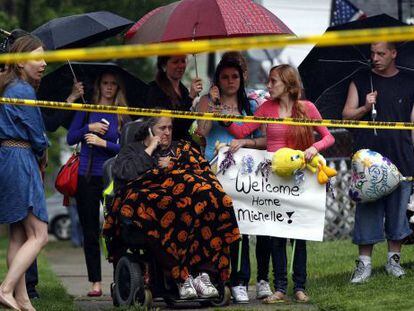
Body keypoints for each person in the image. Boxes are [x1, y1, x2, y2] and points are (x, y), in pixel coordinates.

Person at [226, 64, 335, 303]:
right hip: (273, 179)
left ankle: (300, 286)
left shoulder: (307, 109)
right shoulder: (266, 107)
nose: (268, 85)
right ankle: (279, 287)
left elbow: (328, 136)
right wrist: (222, 117)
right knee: (276, 234)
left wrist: (313, 147)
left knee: (299, 234)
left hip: (300, 178)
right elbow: (242, 130)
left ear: (288, 83)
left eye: (273, 81)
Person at [104, 116, 240, 299]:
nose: (167, 132)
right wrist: (150, 149)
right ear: (149, 130)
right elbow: (126, 175)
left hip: (186, 209)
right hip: (150, 207)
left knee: (212, 196)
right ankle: (182, 277)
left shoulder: (180, 149)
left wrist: (174, 165)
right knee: (163, 205)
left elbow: (202, 172)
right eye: (162, 128)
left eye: (170, 128)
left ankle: (204, 275)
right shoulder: (131, 150)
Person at [343, 42, 414, 283]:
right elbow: (346, 116)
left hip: (402, 156)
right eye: (372, 53)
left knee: (398, 214)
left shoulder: (409, 81)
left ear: (394, 53)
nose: (375, 57)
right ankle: (364, 265)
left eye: (381, 53)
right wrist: (365, 106)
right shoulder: (360, 79)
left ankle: (394, 260)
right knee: (368, 211)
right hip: (367, 162)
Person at [196, 58, 265, 303]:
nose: (230, 82)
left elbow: (263, 139)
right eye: (224, 77)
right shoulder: (206, 101)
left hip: (243, 173)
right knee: (216, 226)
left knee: (241, 228)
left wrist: (246, 142)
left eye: (234, 77)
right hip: (214, 171)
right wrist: (213, 104)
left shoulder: (251, 105)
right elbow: (201, 132)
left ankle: (240, 280)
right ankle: (216, 278)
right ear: (217, 81)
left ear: (242, 78)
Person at [66, 71, 129, 297]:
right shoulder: (87, 108)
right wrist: (88, 129)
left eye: (113, 84)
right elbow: (70, 138)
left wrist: (103, 142)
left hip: (113, 177)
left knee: (118, 230)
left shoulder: (123, 113)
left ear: (118, 88)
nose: (109, 88)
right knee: (90, 231)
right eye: (105, 83)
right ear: (98, 86)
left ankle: (121, 278)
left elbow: (127, 149)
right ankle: (95, 282)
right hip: (87, 176)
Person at [0, 34, 49, 311]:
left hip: (7, 157)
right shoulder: (23, 91)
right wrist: (42, 152)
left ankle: (22, 299)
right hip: (20, 158)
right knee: (39, 234)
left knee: (19, 235)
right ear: (20, 61)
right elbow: (38, 137)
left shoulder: (7, 85)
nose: (43, 63)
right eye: (38, 57)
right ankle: (6, 289)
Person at [145, 55, 203, 142]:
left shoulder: (183, 90)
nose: (181, 66)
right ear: (164, 65)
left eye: (183, 61)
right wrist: (190, 97)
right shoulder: (154, 89)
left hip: (186, 142)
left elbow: (187, 122)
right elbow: (172, 124)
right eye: (175, 62)